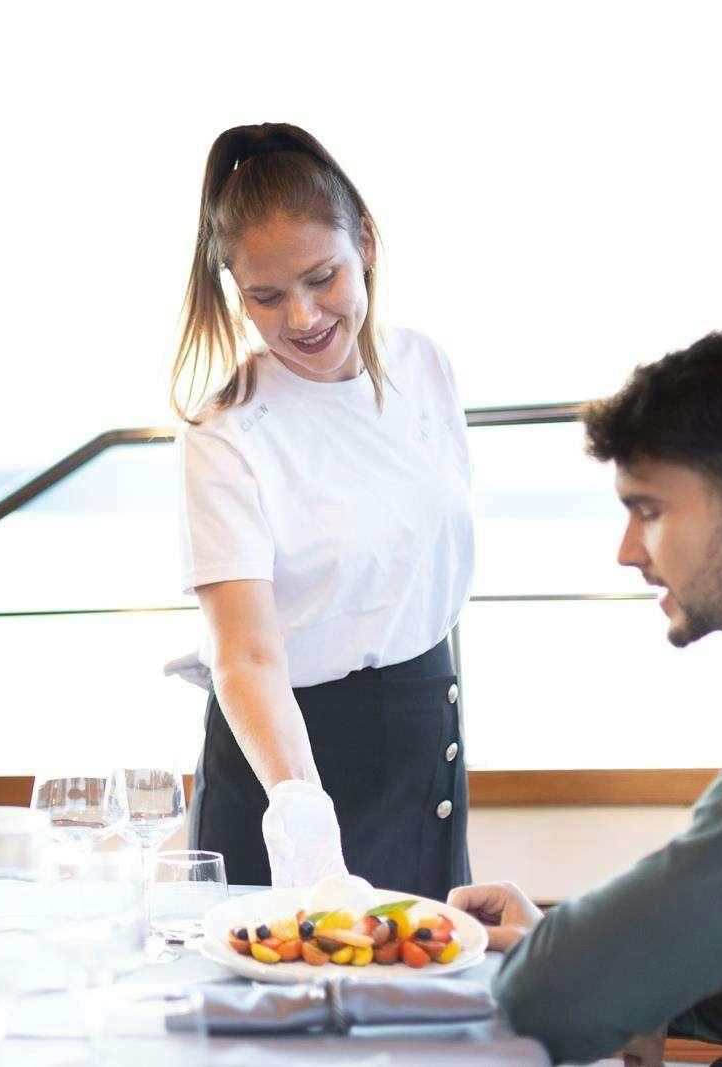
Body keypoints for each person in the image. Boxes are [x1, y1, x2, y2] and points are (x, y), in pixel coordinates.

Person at [449, 330, 722, 1065]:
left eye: (648, 510)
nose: (627, 550)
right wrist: (571, 944)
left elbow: (555, 993)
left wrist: (581, 960)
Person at [170, 122, 474, 897]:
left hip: (422, 737)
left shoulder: (425, 367)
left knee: (418, 998)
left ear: (366, 241)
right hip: (287, 765)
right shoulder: (226, 430)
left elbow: (424, 574)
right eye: (266, 297)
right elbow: (246, 656)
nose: (301, 317)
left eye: (321, 277)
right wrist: (302, 812)